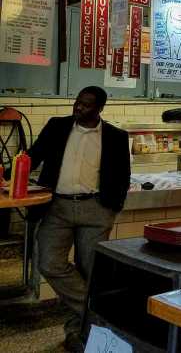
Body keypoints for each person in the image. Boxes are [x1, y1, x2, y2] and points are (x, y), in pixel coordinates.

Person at [29, 87, 130, 352]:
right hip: (57, 207)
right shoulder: (57, 126)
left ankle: (78, 333)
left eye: (86, 105)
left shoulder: (116, 137)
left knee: (90, 271)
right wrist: (8, 174)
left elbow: (123, 175)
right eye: (77, 102)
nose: (78, 108)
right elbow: (32, 156)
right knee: (49, 262)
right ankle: (99, 313)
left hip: (95, 210)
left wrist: (112, 208)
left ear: (100, 109)